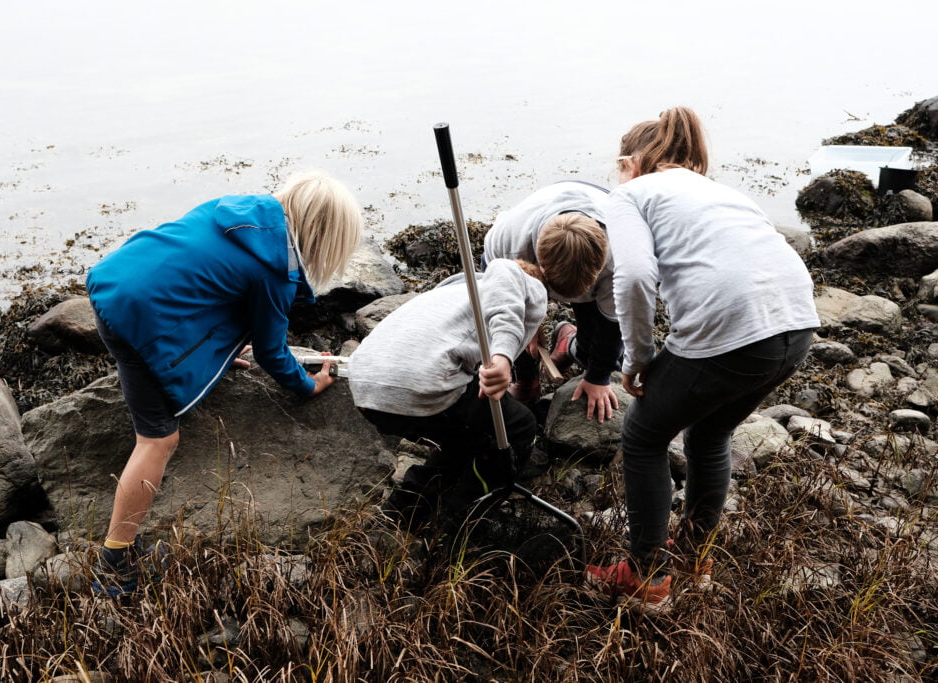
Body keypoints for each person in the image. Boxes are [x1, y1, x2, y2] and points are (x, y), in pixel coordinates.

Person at [584, 107, 820, 611]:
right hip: (797, 323)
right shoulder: (723, 191)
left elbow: (632, 279)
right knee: (711, 432)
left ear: (633, 161)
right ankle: (695, 560)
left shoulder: (630, 193)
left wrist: (638, 357)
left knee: (643, 435)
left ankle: (647, 578)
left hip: (735, 330)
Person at [85, 170, 363, 596]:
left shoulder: (234, 213)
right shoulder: (274, 270)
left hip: (113, 280)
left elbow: (198, 283)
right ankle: (116, 558)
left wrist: (212, 351)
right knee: (158, 441)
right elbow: (272, 352)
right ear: (324, 234)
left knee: (158, 413)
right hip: (137, 318)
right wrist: (309, 386)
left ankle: (117, 553)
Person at [347, 258, 548, 530]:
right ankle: (463, 520)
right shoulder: (510, 288)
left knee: (464, 437)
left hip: (364, 385)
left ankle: (399, 513)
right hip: (415, 386)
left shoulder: (447, 294)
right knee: (520, 425)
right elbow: (506, 322)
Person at [482, 182, 621, 422]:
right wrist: (529, 322)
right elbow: (497, 299)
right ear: (541, 266)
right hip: (535, 234)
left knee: (602, 355)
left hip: (598, 207)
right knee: (514, 331)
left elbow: (614, 326)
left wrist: (598, 377)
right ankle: (527, 378)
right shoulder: (509, 242)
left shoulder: (622, 260)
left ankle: (569, 344)